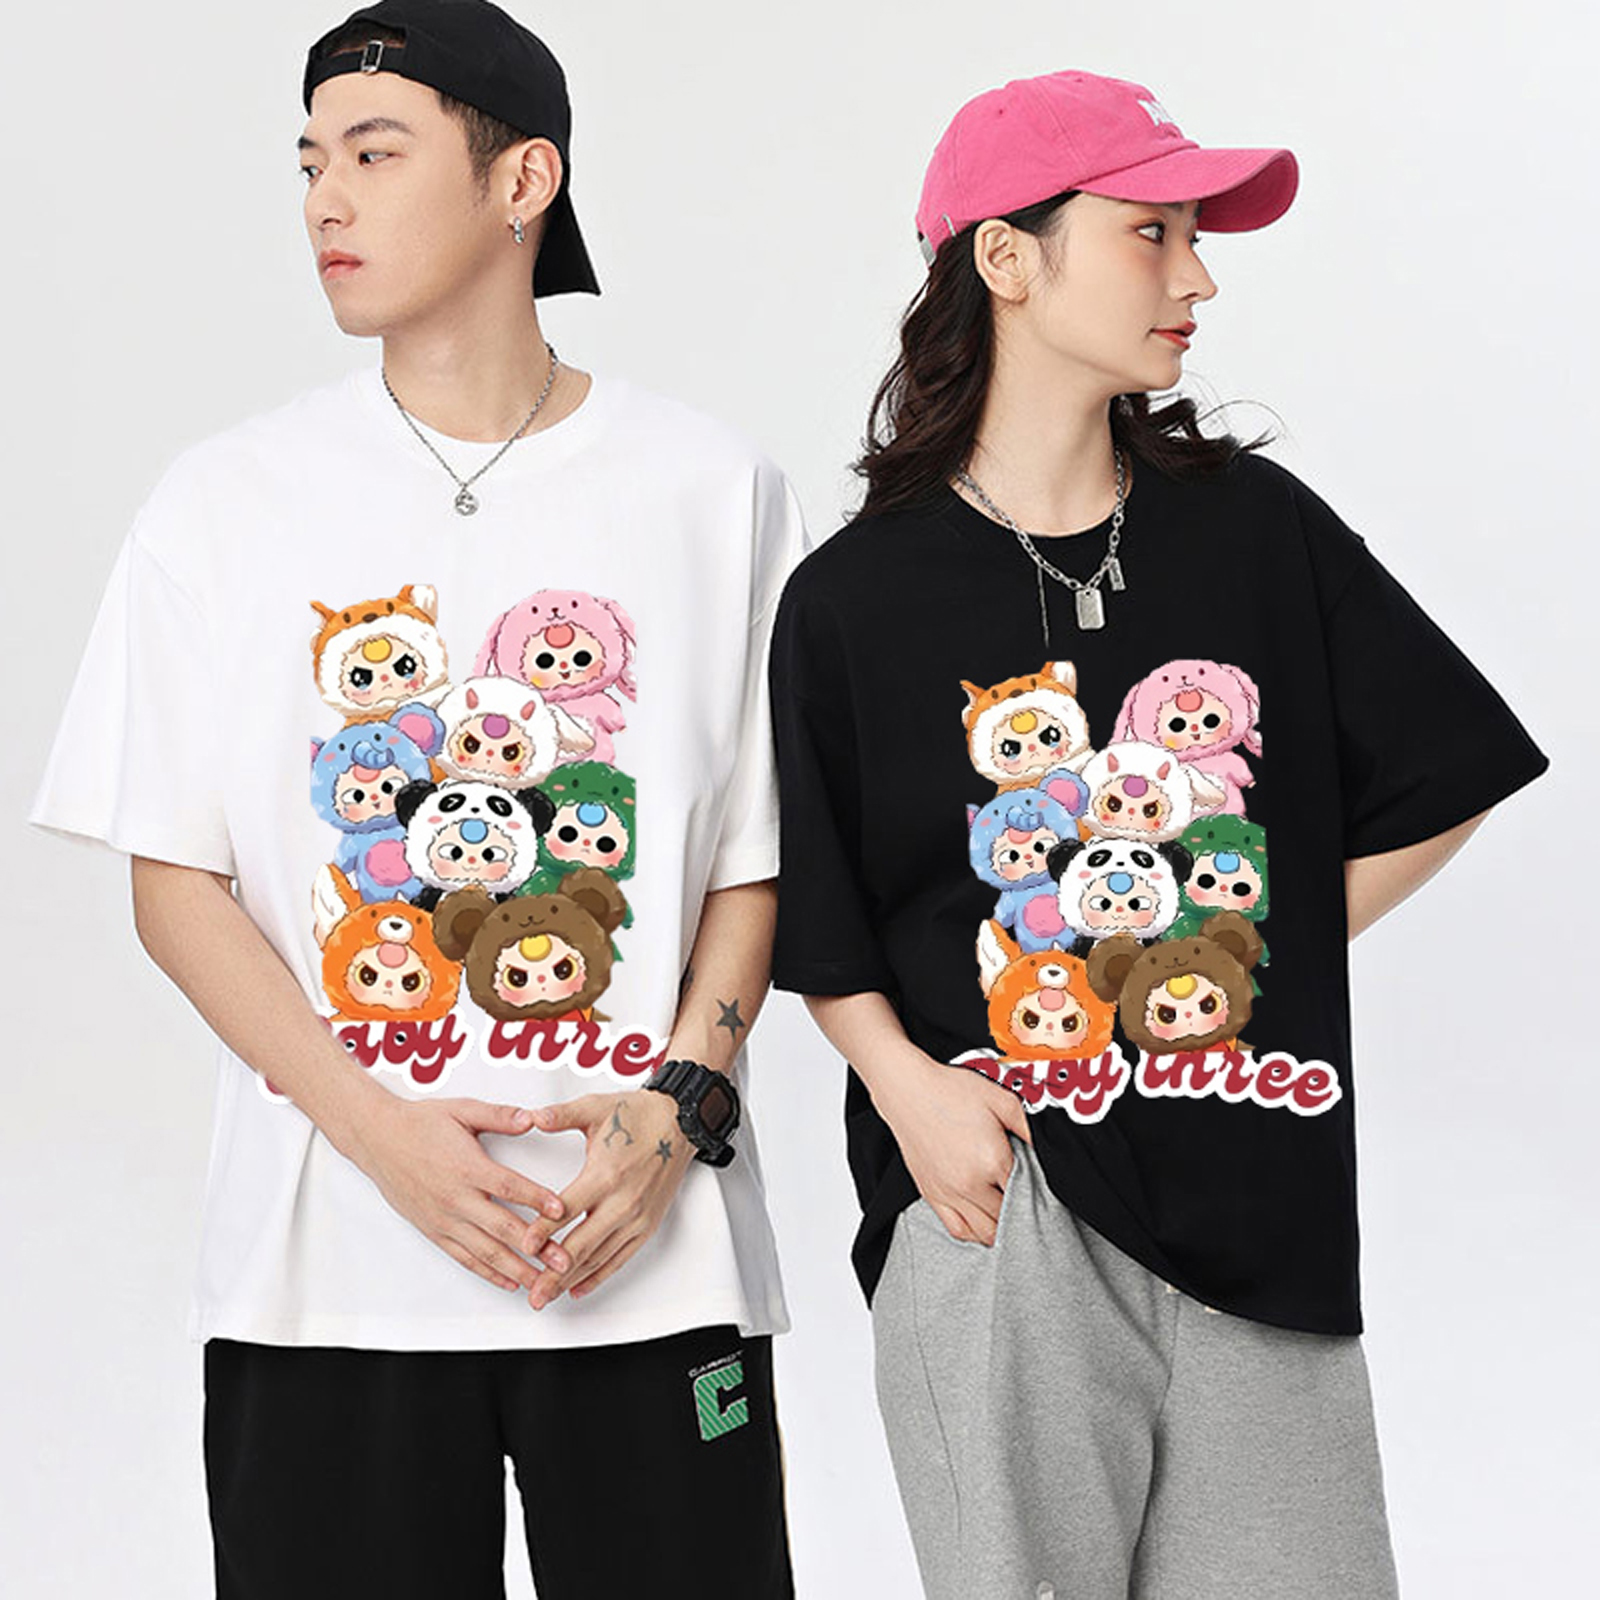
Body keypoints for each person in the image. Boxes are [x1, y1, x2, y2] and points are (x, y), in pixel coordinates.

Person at [27, 2, 801, 1594]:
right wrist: (381, 1136)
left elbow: (753, 861)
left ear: (524, 180)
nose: (326, 197)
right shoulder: (223, 502)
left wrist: (679, 1108)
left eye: (375, 154)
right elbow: (173, 882)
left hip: (652, 1267)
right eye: (310, 160)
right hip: (324, 1286)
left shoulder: (713, 490)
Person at [767, 69, 1549, 1600]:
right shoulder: (855, 598)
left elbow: (1447, 765)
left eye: (1195, 238)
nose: (1197, 279)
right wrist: (911, 1095)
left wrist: (1253, 945)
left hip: (1261, 1197)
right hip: (1007, 1204)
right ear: (1007, 258)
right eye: (1153, 233)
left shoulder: (1254, 528)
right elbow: (820, 914)